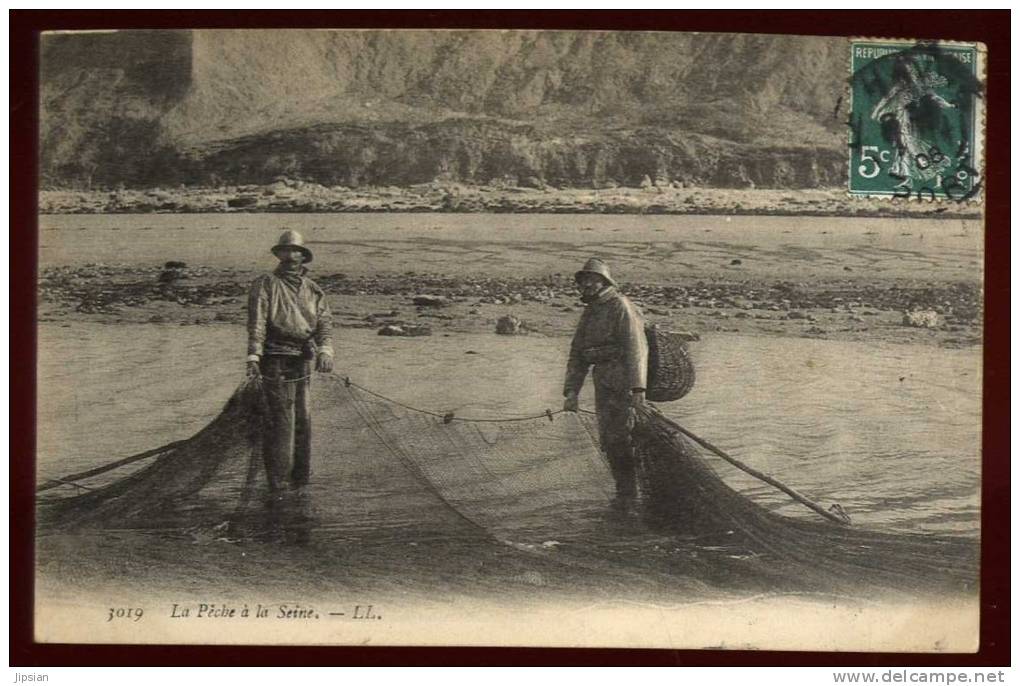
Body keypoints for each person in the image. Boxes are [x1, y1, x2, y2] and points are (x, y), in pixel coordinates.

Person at [246, 229, 334, 495]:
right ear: (279, 255)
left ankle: (301, 481)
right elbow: (257, 321)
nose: (291, 256)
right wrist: (253, 355)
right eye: (286, 251)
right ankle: (278, 484)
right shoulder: (266, 283)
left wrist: (325, 351)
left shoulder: (313, 289)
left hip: (303, 358)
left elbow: (324, 323)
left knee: (304, 420)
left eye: (296, 251)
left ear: (303, 257)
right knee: (280, 421)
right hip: (274, 358)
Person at [562, 257, 648, 510]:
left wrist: (638, 390)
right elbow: (577, 352)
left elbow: (636, 349)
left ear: (603, 281)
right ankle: (624, 494)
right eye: (582, 281)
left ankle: (629, 494)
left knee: (623, 437)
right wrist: (571, 392)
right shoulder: (591, 311)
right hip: (603, 381)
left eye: (591, 279)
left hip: (624, 381)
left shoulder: (620, 306)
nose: (585, 285)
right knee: (609, 439)